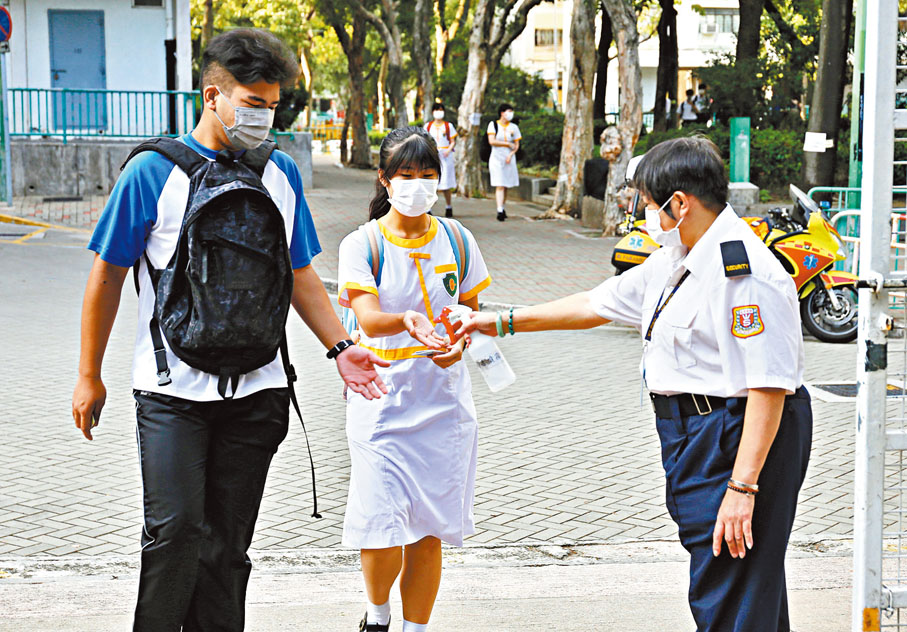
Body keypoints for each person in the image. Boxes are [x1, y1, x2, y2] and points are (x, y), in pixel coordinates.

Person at [71, 28, 389, 632]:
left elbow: (298, 272)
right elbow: (106, 275)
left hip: (259, 389)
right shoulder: (151, 173)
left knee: (227, 547)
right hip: (171, 393)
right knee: (176, 533)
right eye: (252, 103)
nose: (264, 117)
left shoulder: (281, 174)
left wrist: (341, 347)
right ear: (212, 95)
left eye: (272, 105)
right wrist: (89, 375)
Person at [454, 137, 812, 632]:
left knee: (728, 587)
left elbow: (769, 389)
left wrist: (742, 487)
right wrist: (496, 322)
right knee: (747, 588)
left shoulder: (742, 273)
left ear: (679, 203)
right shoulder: (676, 258)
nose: (641, 212)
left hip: (736, 435)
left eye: (646, 202)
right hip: (697, 432)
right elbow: (592, 305)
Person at [337, 126, 492, 632]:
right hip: (381, 398)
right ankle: (378, 614)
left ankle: (416, 628)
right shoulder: (363, 243)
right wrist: (406, 322)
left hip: (443, 403)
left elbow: (470, 311)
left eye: (428, 175)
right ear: (384, 180)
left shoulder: (459, 240)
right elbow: (367, 313)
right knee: (381, 523)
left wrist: (459, 345)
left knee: (429, 528)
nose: (417, 185)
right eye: (406, 175)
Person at [487, 103, 522, 222]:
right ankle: (499, 210)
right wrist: (507, 144)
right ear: (502, 113)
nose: (510, 114)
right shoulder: (493, 125)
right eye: (508, 111)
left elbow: (517, 145)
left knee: (506, 184)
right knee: (500, 184)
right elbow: (491, 141)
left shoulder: (514, 127)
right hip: (497, 157)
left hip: (509, 159)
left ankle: (502, 206)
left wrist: (511, 154)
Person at [424, 102, 457, 217]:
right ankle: (428, 208)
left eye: (441, 110)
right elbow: (425, 141)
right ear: (433, 112)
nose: (439, 112)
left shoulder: (448, 126)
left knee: (446, 183)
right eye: (437, 110)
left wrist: (448, 150)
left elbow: (453, 141)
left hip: (446, 156)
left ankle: (449, 206)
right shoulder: (428, 126)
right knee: (432, 181)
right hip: (433, 156)